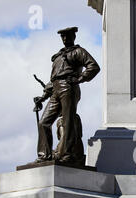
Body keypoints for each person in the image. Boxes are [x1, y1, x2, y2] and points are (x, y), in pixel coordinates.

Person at [33, 27, 100, 164]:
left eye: (67, 36)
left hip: (69, 88)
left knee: (67, 122)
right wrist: (43, 97)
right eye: (62, 37)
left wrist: (79, 79)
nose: (65, 39)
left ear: (73, 37)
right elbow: (54, 80)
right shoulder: (58, 56)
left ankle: (68, 155)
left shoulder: (78, 51)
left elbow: (93, 66)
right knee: (43, 122)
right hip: (56, 89)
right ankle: (44, 155)